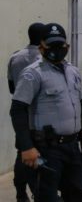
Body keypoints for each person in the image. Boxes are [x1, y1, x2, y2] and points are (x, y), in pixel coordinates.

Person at [10, 23, 82, 202]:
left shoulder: (73, 72)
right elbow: (17, 110)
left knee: (76, 195)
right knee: (47, 197)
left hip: (73, 148)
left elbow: (80, 104)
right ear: (41, 47)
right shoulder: (33, 74)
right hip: (47, 149)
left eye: (60, 45)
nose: (56, 50)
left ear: (67, 47)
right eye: (51, 46)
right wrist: (26, 147)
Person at [7, 22, 44, 202]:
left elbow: (11, 87)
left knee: (21, 150)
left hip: (21, 111)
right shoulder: (45, 59)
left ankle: (20, 191)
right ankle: (38, 191)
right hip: (40, 113)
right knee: (39, 155)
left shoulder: (16, 57)